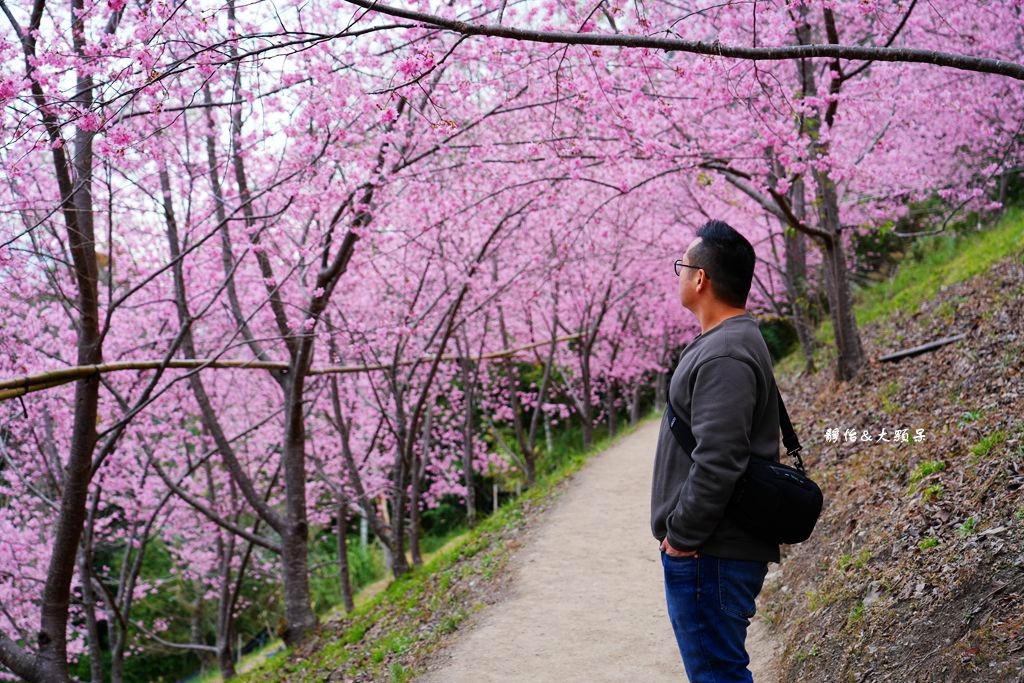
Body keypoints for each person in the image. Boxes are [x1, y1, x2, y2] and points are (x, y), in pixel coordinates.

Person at [650, 219, 782, 683]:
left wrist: (682, 536)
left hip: (711, 552)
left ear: (700, 278)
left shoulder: (725, 352)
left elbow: (719, 457)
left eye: (681, 267)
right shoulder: (729, 341)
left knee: (717, 675)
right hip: (714, 550)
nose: (680, 275)